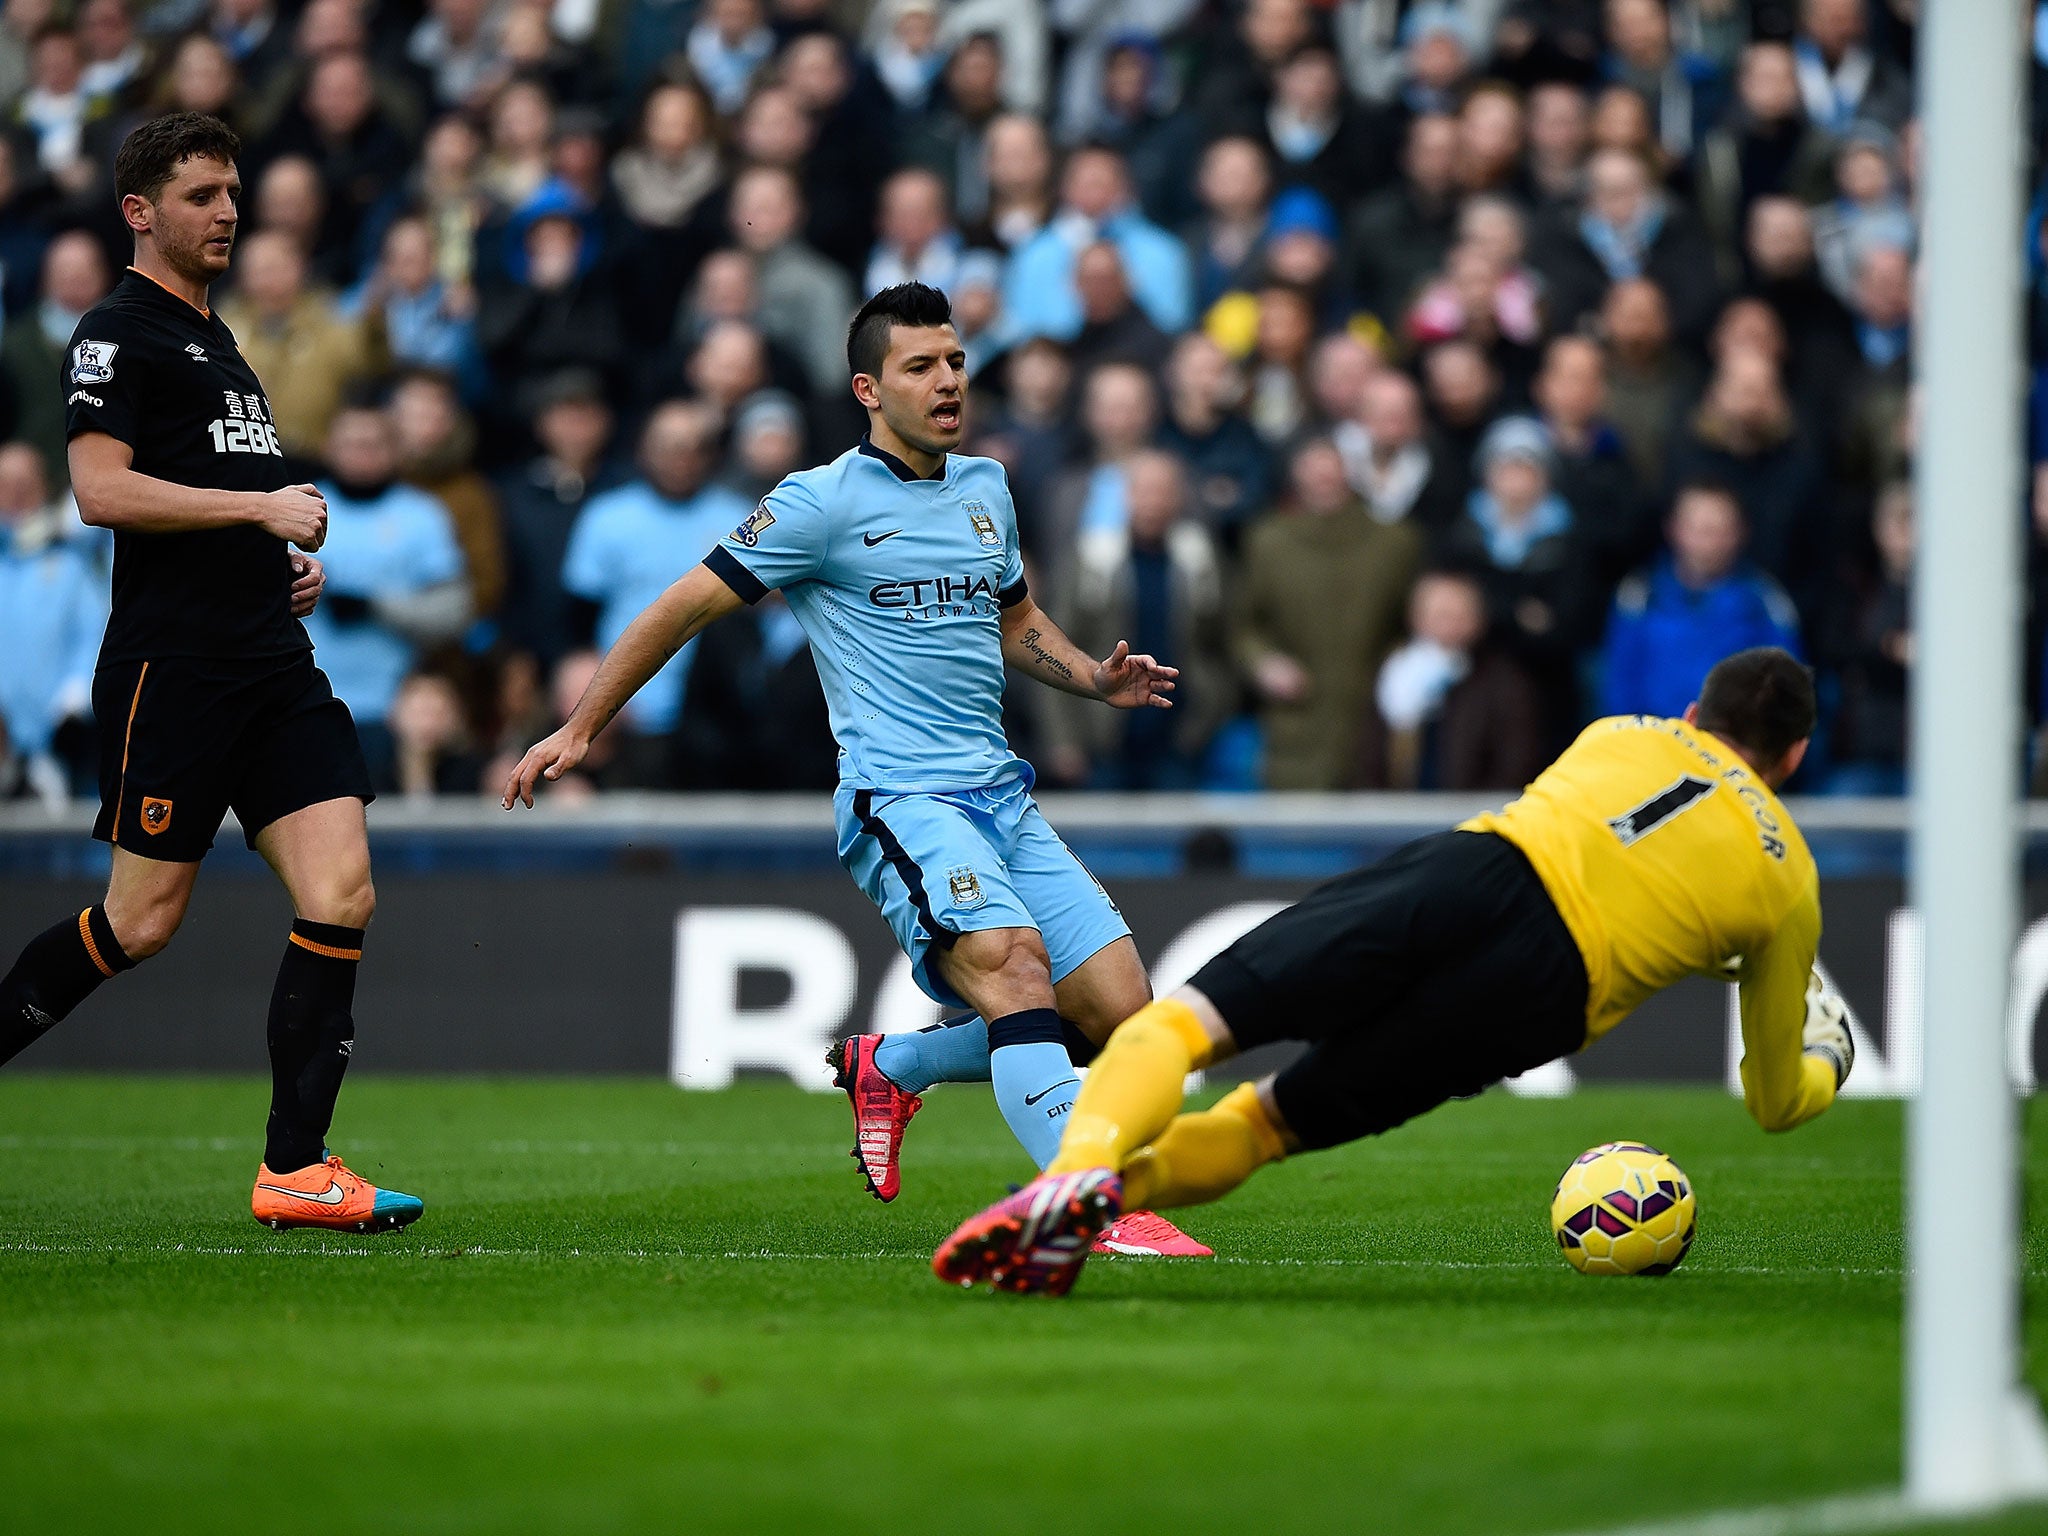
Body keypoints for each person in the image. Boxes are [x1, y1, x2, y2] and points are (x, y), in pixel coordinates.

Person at [502, 283, 1208, 1258]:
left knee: (1115, 1017)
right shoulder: (816, 504)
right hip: (903, 799)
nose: (948, 380)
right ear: (869, 389)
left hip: (999, 795)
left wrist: (1093, 676)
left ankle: (897, 1064)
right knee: (1010, 967)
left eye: (955, 360)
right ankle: (1082, 1201)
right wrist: (579, 727)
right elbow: (678, 608)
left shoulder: (986, 488)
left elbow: (1011, 620)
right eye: (921, 366)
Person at [935, 647, 1855, 1294]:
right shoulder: (1790, 886)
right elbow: (1775, 1100)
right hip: (1548, 996)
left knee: (1180, 1027)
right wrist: (1827, 1058)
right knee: (1264, 1127)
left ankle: (1078, 1170)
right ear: (1797, 758)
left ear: (1697, 715)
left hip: (1482, 873)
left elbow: (1645, 832)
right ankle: (1113, 1201)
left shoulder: (1626, 733)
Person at [0, 113, 422, 1232]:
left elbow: (208, 502)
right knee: (139, 925)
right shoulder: (114, 333)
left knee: (342, 892)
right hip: (173, 670)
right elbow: (99, 491)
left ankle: (295, 1168)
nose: (227, 210)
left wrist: (269, 567)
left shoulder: (221, 342)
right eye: (201, 194)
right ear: (140, 212)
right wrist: (257, 509)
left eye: (233, 191)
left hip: (271, 660)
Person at [1601, 481, 1803, 722]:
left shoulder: (1765, 602)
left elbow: (1789, 696)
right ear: (1673, 529)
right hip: (1653, 747)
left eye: (1719, 530)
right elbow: (1618, 688)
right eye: (1698, 529)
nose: (1708, 543)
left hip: (1733, 750)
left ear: (1741, 532)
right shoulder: (1638, 597)